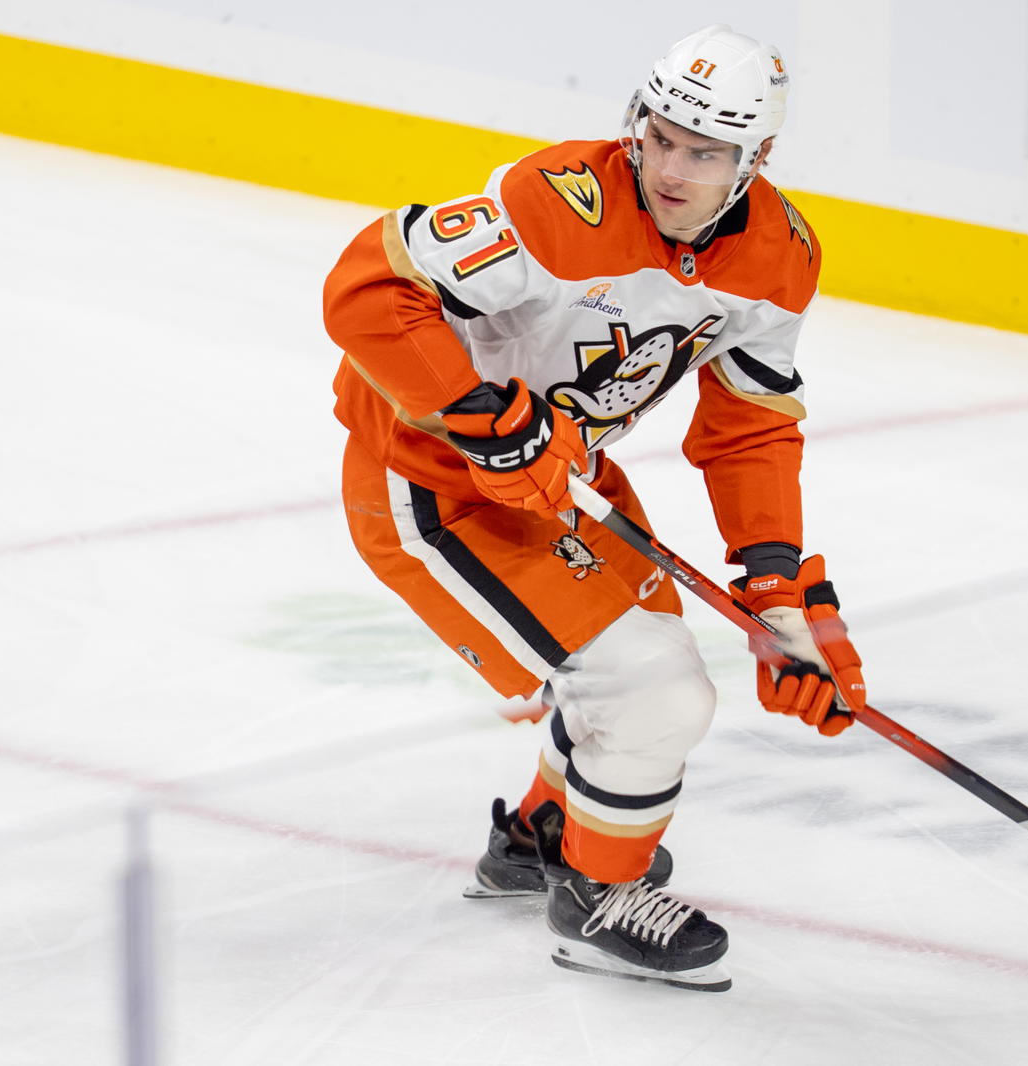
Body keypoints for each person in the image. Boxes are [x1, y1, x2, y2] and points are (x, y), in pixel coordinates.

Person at [323, 24, 867, 992]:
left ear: (757, 161)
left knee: (649, 660)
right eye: (660, 137)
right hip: (431, 479)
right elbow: (364, 290)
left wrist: (777, 589)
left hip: (560, 478)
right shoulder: (553, 204)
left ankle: (544, 834)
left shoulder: (780, 256)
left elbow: (748, 425)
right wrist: (484, 419)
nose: (671, 168)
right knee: (652, 689)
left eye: (705, 153)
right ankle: (595, 895)